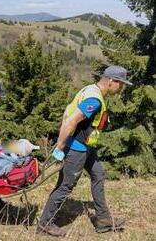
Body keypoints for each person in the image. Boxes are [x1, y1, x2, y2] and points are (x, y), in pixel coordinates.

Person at [37, 65, 132, 237]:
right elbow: (71, 121)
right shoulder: (94, 100)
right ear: (111, 81)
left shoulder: (90, 90)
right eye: (121, 84)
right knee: (65, 186)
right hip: (76, 148)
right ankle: (44, 224)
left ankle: (103, 219)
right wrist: (60, 146)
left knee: (98, 174)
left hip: (86, 147)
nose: (122, 88)